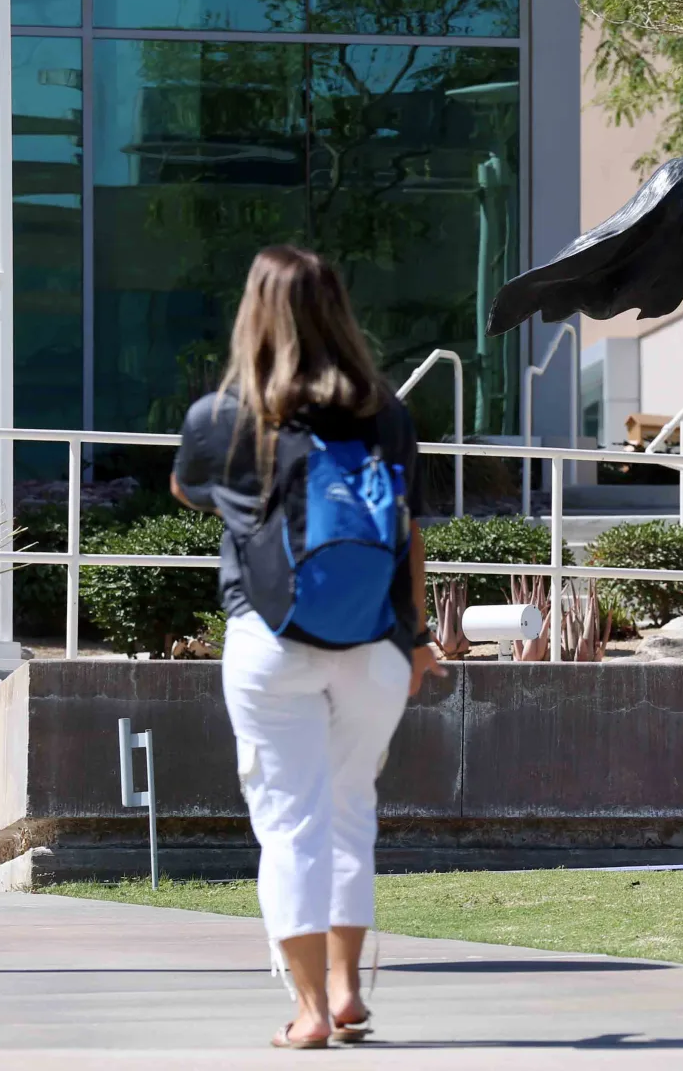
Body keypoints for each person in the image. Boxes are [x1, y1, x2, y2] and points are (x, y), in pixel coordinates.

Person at [172, 245, 446, 1049]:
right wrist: (420, 637)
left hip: (268, 639)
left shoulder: (223, 415)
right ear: (339, 312)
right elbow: (407, 533)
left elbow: (188, 488)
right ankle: (348, 990)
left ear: (253, 314)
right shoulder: (387, 413)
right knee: (348, 813)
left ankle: (309, 1013)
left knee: (289, 824)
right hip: (375, 644)